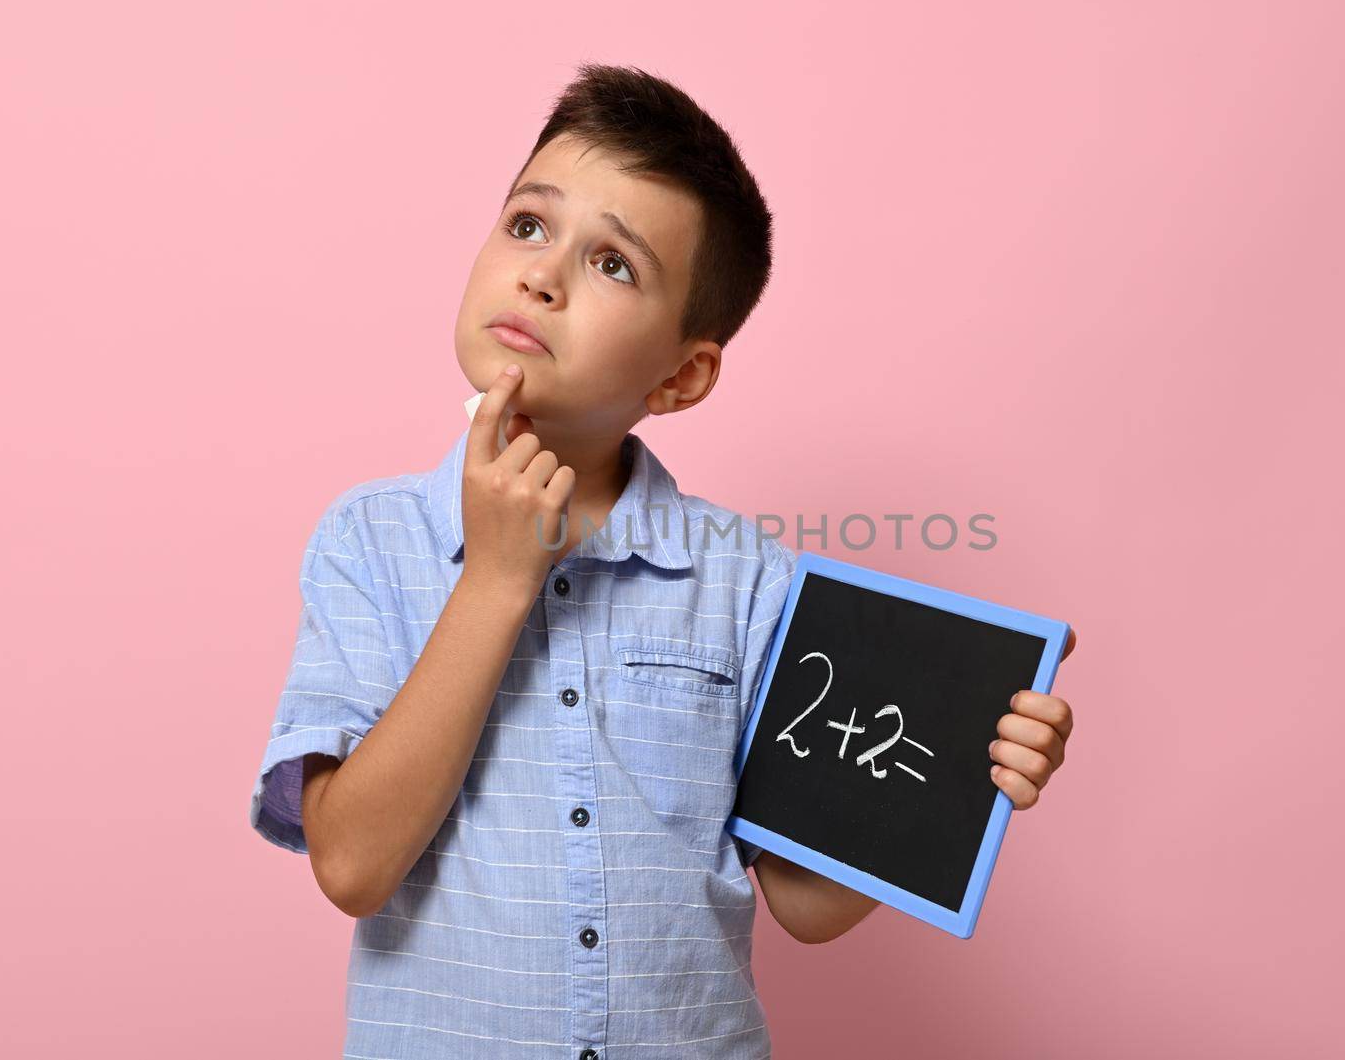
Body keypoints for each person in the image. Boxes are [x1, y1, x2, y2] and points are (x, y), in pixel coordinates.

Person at [248, 61, 1076, 1059]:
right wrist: (498, 578)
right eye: (528, 225)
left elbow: (804, 903)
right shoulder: (370, 542)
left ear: (682, 376)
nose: (542, 274)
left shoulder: (748, 582)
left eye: (613, 265)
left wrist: (953, 780)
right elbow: (350, 866)